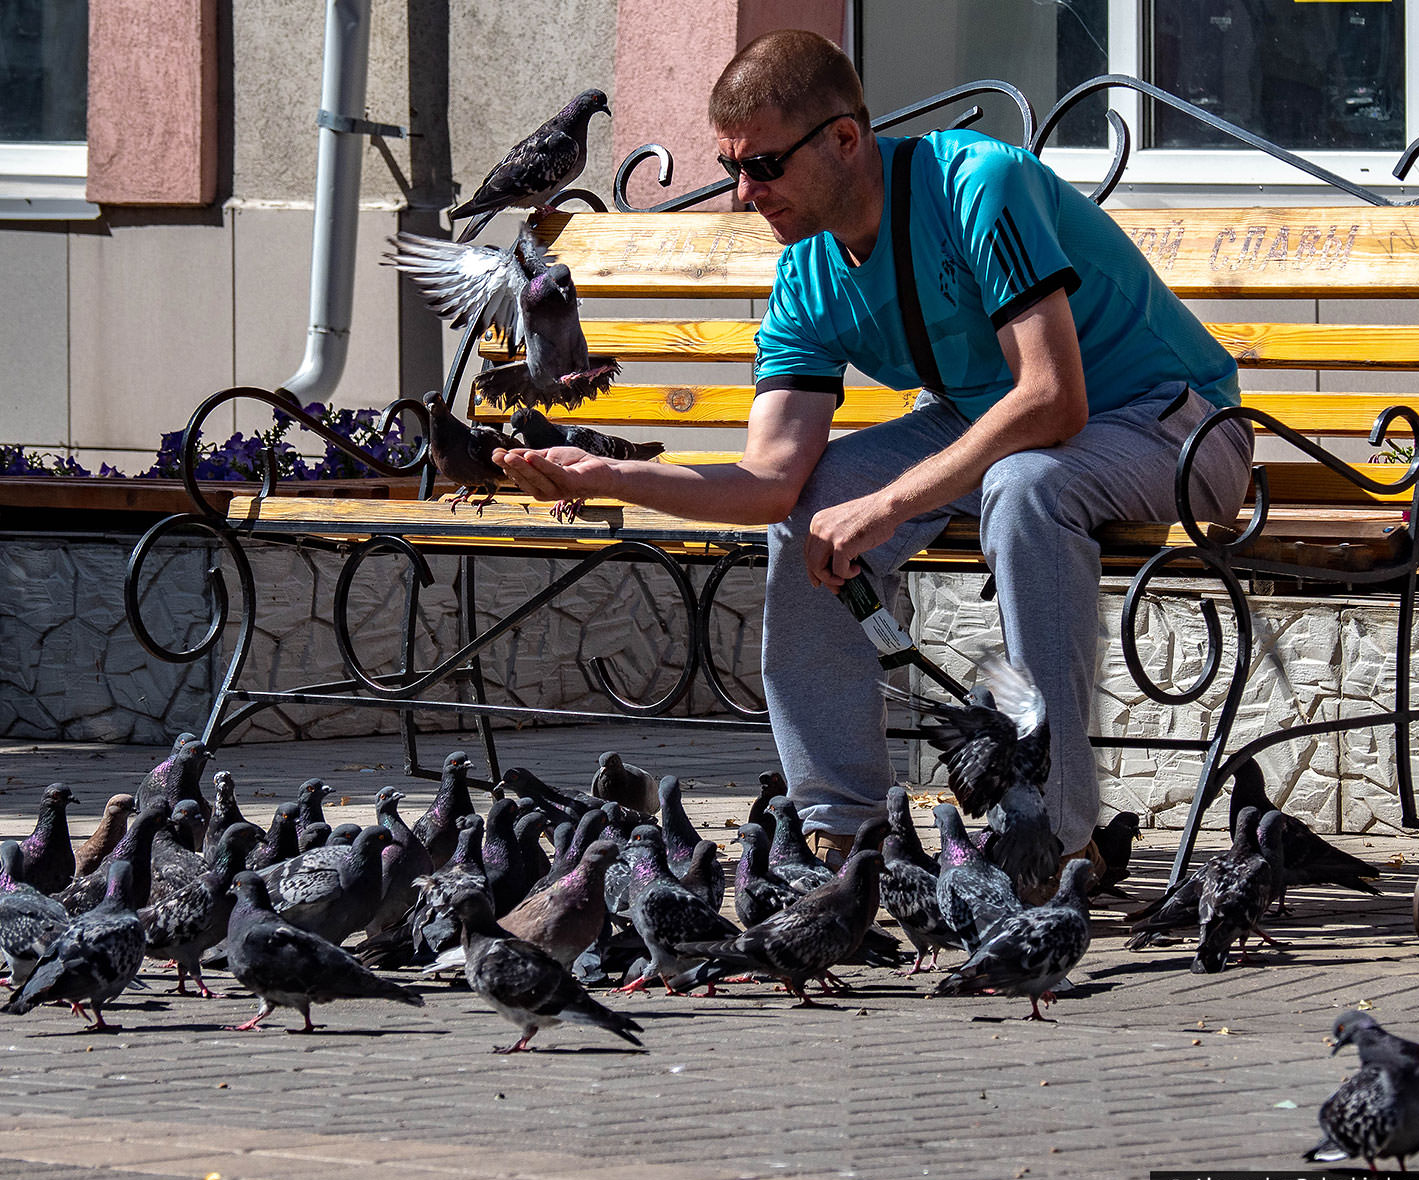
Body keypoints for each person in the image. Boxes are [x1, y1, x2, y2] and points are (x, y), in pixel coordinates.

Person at [495, 30, 1253, 869]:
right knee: (819, 510)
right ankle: (843, 833)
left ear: (845, 140)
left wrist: (890, 503)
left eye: (765, 166)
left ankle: (1053, 838)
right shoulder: (806, 274)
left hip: (1178, 426)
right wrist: (612, 475)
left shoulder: (977, 187)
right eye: (733, 168)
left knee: (1026, 484)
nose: (747, 194)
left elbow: (1052, 398)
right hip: (993, 424)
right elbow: (769, 481)